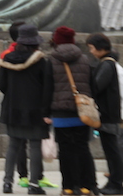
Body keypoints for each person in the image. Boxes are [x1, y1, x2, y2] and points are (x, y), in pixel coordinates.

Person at [43, 26, 98, 195]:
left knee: (66, 150)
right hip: (82, 112)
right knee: (82, 147)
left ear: (57, 40)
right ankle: (87, 186)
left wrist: (45, 112)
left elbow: (47, 88)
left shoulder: (51, 60)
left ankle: (68, 187)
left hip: (60, 112)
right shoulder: (85, 59)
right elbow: (93, 85)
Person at [0, 23, 49, 195]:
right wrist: (46, 111)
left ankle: (7, 183)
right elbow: (47, 87)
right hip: (35, 109)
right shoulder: (41, 61)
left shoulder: (7, 59)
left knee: (13, 146)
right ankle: (34, 185)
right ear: (35, 42)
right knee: (34, 146)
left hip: (12, 108)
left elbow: (1, 85)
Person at [86, 33, 123, 195]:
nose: (91, 52)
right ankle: (114, 183)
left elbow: (96, 86)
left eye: (92, 48)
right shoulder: (108, 63)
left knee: (112, 150)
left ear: (101, 48)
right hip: (110, 113)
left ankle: (116, 184)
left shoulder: (107, 65)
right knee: (112, 149)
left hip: (107, 114)